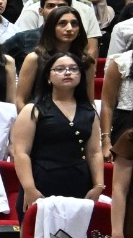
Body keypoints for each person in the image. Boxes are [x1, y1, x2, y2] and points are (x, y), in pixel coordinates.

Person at [11, 50, 102, 215]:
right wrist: (30, 188)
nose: (67, 72)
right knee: (36, 236)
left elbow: (95, 152)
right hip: (42, 182)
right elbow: (21, 152)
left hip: (79, 182)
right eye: (60, 69)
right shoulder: (33, 109)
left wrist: (98, 185)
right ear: (48, 77)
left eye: (74, 69)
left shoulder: (89, 112)